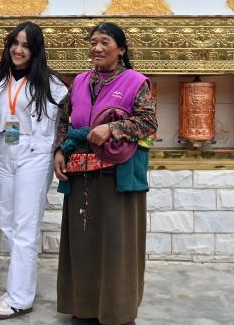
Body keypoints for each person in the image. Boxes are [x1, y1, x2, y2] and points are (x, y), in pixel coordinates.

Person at [54, 22, 158, 325]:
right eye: (93, 42)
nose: (97, 48)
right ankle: (83, 307)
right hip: (80, 176)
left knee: (117, 246)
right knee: (82, 244)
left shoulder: (136, 82)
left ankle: (118, 312)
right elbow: (65, 121)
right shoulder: (79, 82)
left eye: (105, 42)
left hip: (117, 178)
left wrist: (112, 128)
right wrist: (59, 150)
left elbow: (149, 123)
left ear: (121, 49)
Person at [0, 21, 68, 319]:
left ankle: (20, 298)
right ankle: (18, 286)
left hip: (35, 155)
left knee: (25, 227)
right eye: (15, 43)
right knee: (7, 222)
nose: (18, 50)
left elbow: (65, 121)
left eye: (26, 46)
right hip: (7, 151)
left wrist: (59, 150)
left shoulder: (51, 83)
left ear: (36, 50)